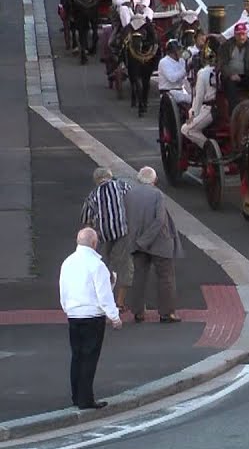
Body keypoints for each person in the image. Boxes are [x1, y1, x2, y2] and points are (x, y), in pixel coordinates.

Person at [59, 228, 122, 410]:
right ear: (94, 243)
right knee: (89, 358)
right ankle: (86, 399)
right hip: (93, 317)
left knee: (77, 356)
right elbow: (104, 295)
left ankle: (76, 396)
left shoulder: (67, 262)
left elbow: (63, 289)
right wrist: (114, 317)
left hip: (74, 315)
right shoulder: (97, 265)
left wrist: (68, 308)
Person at [123, 167, 184, 323]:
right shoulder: (157, 194)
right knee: (166, 277)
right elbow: (159, 220)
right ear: (154, 180)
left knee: (139, 277)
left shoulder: (129, 194)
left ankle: (138, 312)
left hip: (137, 242)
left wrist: (138, 240)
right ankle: (166, 313)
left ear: (139, 179)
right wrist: (146, 240)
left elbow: (127, 217)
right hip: (159, 242)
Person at [80, 167, 132, 312]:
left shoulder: (92, 195)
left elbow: (86, 220)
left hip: (103, 235)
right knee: (125, 265)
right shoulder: (122, 186)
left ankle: (103, 300)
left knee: (103, 266)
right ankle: (120, 303)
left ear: (96, 180)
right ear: (110, 176)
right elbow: (133, 202)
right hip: (123, 232)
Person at [183, 37, 221, 148]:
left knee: (186, 129)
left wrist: (192, 116)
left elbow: (198, 99)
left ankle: (208, 148)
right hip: (224, 109)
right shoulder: (226, 70)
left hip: (209, 109)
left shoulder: (203, 73)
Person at [217, 22, 249, 111]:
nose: (241, 37)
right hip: (230, 77)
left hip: (246, 75)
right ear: (235, 35)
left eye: (243, 34)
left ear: (246, 34)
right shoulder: (226, 46)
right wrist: (231, 74)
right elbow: (222, 64)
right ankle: (233, 113)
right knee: (231, 90)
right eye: (239, 35)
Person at [157, 40, 191, 106]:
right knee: (192, 99)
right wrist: (185, 70)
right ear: (172, 52)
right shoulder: (164, 62)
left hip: (180, 90)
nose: (181, 51)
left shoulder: (182, 60)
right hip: (169, 92)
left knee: (195, 97)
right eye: (179, 50)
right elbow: (172, 78)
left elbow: (185, 78)